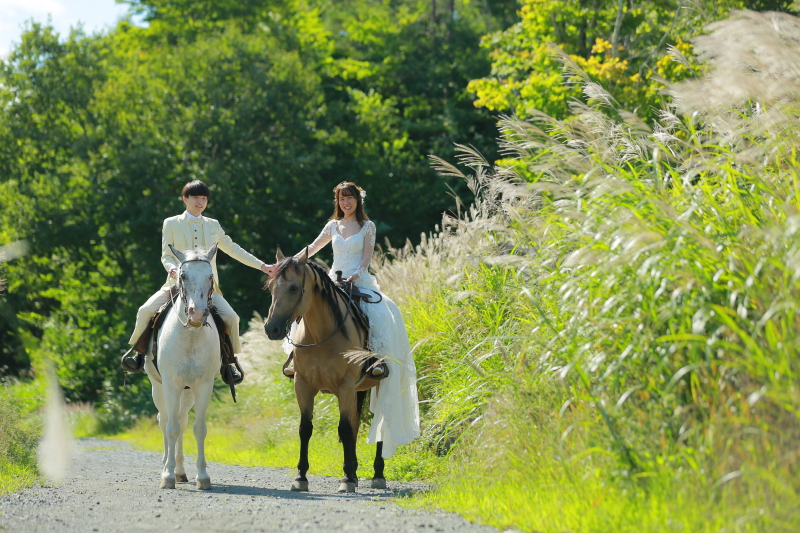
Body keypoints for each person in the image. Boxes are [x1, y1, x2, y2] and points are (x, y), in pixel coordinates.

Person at [284, 181, 420, 458]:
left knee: (377, 313)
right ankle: (294, 359)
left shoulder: (367, 227)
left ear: (358, 200)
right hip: (333, 279)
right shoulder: (333, 226)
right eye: (341, 199)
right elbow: (312, 247)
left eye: (350, 198)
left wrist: (357, 274)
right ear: (337, 201)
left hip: (360, 280)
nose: (346, 203)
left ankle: (376, 360)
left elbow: (367, 257)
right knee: (307, 311)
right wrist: (289, 264)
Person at [121, 180, 273, 382]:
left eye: (204, 198)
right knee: (145, 310)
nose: (200, 202)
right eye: (196, 198)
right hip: (177, 284)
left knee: (232, 318)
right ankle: (139, 354)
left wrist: (262, 266)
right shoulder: (171, 223)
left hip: (207, 289)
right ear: (185, 199)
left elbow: (233, 249)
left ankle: (230, 363)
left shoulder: (213, 225)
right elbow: (166, 255)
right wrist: (172, 268)